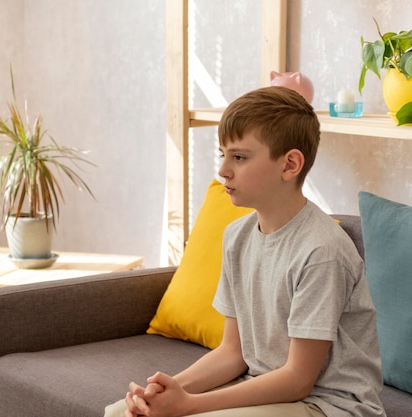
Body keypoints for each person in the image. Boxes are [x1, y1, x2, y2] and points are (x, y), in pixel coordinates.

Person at [105, 86, 385, 417]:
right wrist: (167, 392)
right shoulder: (237, 237)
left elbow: (298, 380)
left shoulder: (322, 251)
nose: (223, 170)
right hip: (268, 390)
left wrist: (190, 405)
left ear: (290, 164)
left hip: (329, 406)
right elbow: (232, 352)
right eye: (222, 154)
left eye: (239, 157)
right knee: (121, 412)